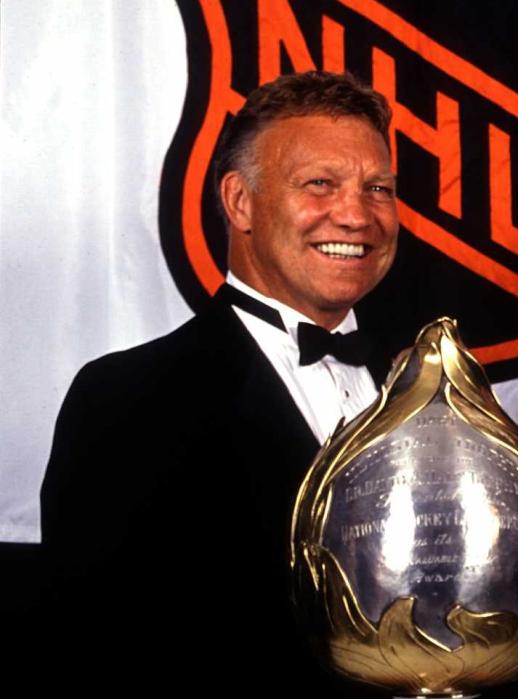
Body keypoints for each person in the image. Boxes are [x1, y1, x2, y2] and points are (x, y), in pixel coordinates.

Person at [39, 72, 402, 692]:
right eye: (320, 184)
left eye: (378, 188)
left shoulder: (431, 381)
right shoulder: (125, 400)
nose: (356, 214)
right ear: (239, 203)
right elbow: (94, 649)